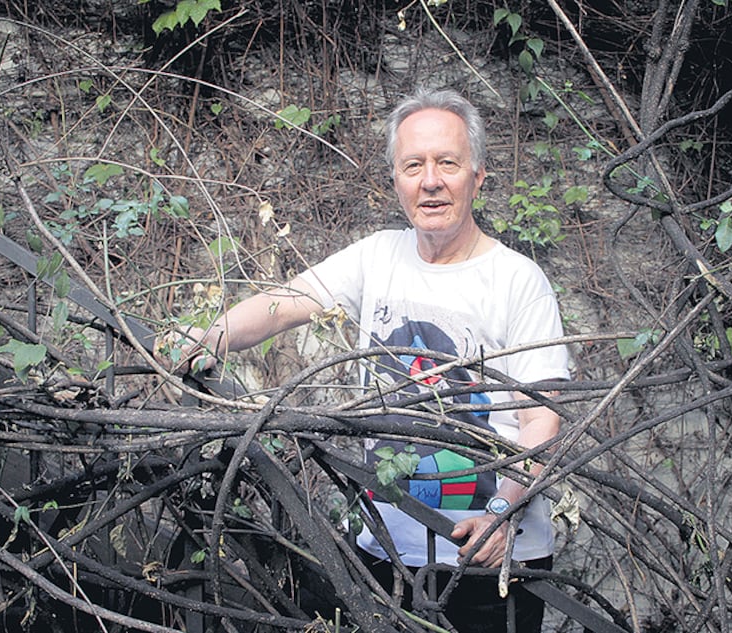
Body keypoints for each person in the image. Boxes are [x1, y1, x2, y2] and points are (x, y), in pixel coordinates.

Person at [168, 88, 570, 632]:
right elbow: (285, 303)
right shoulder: (377, 255)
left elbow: (541, 421)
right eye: (414, 165)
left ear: (477, 176)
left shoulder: (519, 281)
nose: (431, 180)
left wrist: (503, 513)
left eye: (447, 163)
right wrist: (211, 335)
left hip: (489, 563)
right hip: (382, 553)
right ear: (397, 180)